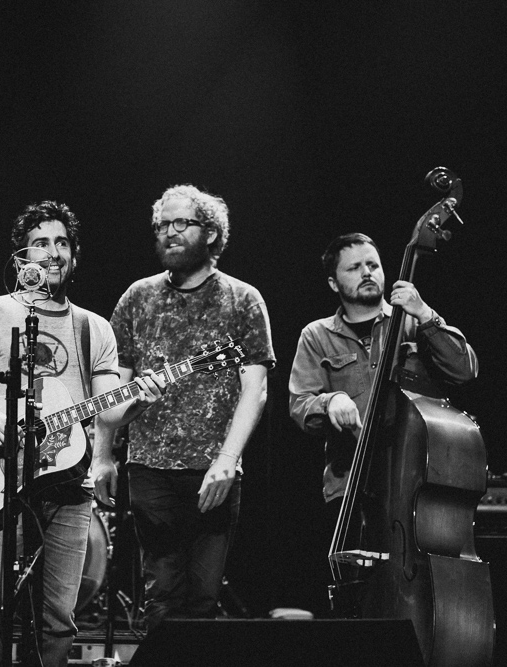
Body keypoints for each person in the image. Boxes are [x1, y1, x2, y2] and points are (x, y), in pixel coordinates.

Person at [0, 200, 152, 667]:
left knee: (59, 621)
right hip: (1, 482)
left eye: (62, 242)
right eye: (41, 243)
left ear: (74, 254)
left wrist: (139, 399)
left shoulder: (94, 328)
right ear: (22, 257)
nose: (53, 252)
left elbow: (109, 408)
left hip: (70, 484)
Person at [92, 184, 274, 628]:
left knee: (203, 599)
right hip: (149, 468)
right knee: (161, 599)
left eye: (180, 223)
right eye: (161, 226)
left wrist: (228, 459)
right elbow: (113, 390)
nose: (168, 233)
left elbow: (257, 389)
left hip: (212, 469)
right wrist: (101, 454)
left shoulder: (243, 299)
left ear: (210, 233)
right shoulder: (137, 298)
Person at [287, 232, 477, 581]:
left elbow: (464, 369)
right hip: (351, 486)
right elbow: (300, 406)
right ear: (333, 282)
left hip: (417, 479)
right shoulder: (316, 335)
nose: (367, 273)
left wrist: (424, 312)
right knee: (357, 594)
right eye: (354, 267)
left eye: (373, 265)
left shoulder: (411, 322)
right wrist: (330, 402)